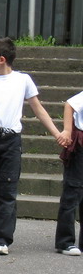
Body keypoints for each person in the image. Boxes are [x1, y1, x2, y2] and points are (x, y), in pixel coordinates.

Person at [0, 37, 68, 256]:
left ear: (1, 59)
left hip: (11, 139)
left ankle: (1, 238)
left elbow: (38, 109)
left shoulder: (23, 80)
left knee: (8, 190)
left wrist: (57, 133)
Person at [54, 91, 83, 256]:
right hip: (80, 145)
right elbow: (70, 104)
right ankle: (65, 242)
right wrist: (67, 129)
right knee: (72, 191)